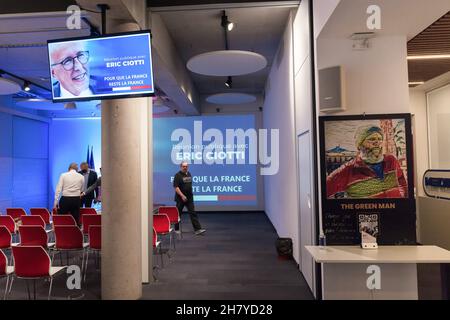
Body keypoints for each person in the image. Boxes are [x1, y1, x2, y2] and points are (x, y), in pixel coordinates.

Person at [326, 125, 408, 199]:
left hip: (394, 213)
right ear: (360, 144)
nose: (377, 142)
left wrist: (402, 199)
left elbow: (401, 181)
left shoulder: (391, 160)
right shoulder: (349, 169)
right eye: (371, 139)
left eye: (379, 139)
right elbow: (323, 190)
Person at [173, 162, 206, 235]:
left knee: (193, 213)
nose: (185, 167)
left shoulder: (189, 174)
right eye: (183, 166)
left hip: (189, 198)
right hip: (180, 198)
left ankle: (197, 229)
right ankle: (176, 229)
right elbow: (176, 187)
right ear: (180, 167)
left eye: (186, 166)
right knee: (178, 214)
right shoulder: (177, 175)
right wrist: (182, 196)